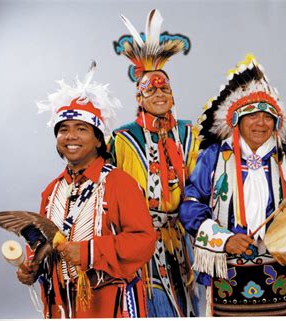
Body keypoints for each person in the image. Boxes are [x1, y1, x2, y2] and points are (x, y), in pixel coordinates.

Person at [16, 62, 156, 318]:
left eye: (81, 129)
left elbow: (144, 241)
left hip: (108, 302)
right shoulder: (52, 191)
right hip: (61, 305)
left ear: (99, 139)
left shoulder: (119, 183)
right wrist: (33, 266)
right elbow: (42, 241)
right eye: (63, 130)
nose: (71, 136)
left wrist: (90, 251)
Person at [179, 54, 286, 317]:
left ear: (277, 123)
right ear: (236, 121)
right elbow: (190, 206)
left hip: (280, 267)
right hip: (226, 267)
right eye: (253, 115)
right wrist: (225, 240)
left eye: (268, 116)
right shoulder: (213, 158)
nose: (261, 122)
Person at [109, 9, 199, 317]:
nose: (159, 94)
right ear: (139, 96)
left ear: (173, 95)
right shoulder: (123, 138)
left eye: (165, 89)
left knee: (187, 301)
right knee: (150, 305)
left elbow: (202, 183)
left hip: (182, 237)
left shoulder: (189, 133)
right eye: (151, 89)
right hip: (141, 239)